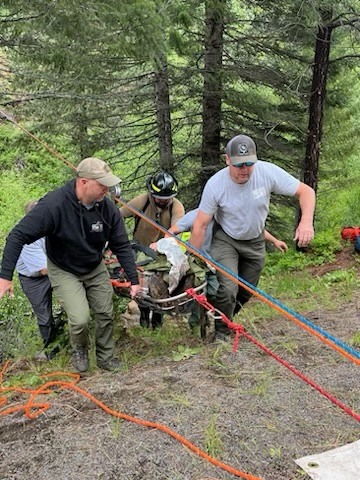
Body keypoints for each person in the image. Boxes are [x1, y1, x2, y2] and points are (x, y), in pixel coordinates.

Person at [0, 157, 141, 372]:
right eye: (102, 185)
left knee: (104, 312)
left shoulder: (107, 209)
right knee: (80, 318)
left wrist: (133, 279)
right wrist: (5, 277)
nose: (107, 190)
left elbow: (121, 244)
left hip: (94, 265)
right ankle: (80, 351)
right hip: (64, 268)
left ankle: (105, 357)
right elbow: (17, 236)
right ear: (84, 182)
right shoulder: (54, 205)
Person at [190, 134, 315, 339]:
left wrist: (306, 222)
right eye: (239, 164)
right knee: (228, 288)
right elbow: (200, 225)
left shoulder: (266, 172)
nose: (245, 169)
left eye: (249, 163)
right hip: (226, 240)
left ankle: (222, 317)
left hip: (255, 240)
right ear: (227, 160)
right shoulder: (215, 185)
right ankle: (221, 334)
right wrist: (193, 258)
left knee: (246, 291)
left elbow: (306, 191)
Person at [153, 208, 288, 330]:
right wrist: (165, 244)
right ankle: (196, 323)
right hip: (200, 263)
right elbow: (172, 231)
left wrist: (274, 240)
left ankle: (219, 320)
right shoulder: (196, 215)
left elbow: (255, 229)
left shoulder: (230, 216)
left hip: (223, 263)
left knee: (220, 292)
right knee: (198, 294)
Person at [120, 171, 185, 329]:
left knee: (159, 286)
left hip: (162, 254)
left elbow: (178, 229)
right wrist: (118, 239)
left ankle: (157, 320)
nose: (162, 202)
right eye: (159, 198)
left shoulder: (176, 206)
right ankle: (143, 316)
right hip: (140, 252)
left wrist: (163, 243)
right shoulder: (142, 201)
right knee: (141, 287)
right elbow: (118, 215)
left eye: (166, 198)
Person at [15, 200, 58, 357]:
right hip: (34, 279)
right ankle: (51, 352)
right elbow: (44, 269)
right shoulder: (26, 236)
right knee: (45, 317)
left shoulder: (53, 226)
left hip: (54, 269)